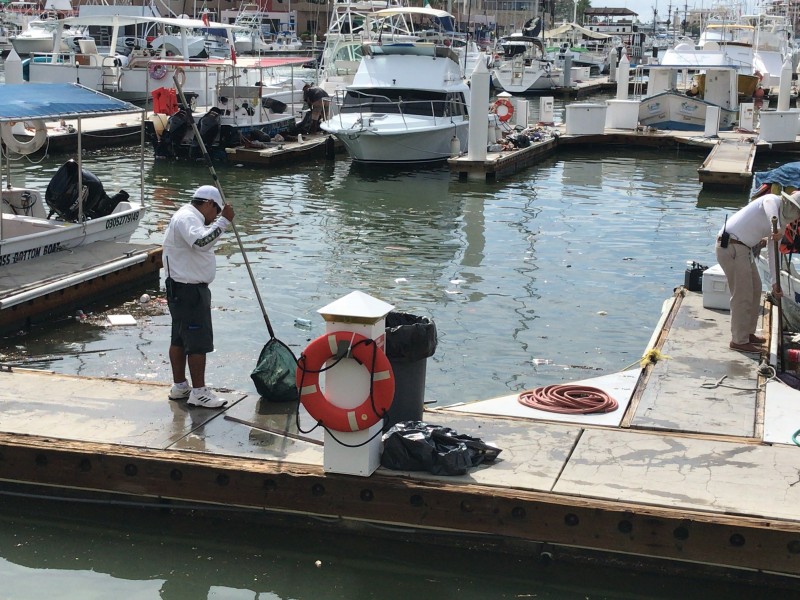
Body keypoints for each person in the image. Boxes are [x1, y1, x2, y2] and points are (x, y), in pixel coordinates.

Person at [163, 185, 235, 408]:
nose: (214, 216)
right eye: (216, 211)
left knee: (179, 338)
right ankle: (199, 392)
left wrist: (219, 221)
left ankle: (180, 386)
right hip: (189, 290)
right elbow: (201, 242)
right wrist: (224, 222)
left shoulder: (188, 217)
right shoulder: (187, 218)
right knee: (197, 342)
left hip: (183, 288)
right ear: (208, 204)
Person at [716, 190, 800, 353]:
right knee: (742, 293)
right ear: (790, 205)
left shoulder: (781, 225)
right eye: (798, 211)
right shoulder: (773, 201)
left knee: (756, 289)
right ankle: (739, 340)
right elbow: (768, 207)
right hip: (731, 246)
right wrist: (773, 227)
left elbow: (773, 251)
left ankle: (747, 333)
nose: (797, 216)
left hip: (744, 249)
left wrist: (775, 282)